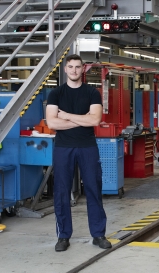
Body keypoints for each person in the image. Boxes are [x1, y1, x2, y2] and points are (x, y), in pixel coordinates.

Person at [46, 54, 111, 252]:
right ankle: (63, 236)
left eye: (78, 67)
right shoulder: (56, 94)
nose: (74, 70)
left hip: (87, 146)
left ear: (83, 69)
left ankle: (98, 234)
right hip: (63, 148)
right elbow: (51, 123)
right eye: (71, 67)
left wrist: (65, 116)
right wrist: (81, 119)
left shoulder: (92, 93)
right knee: (61, 191)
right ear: (65, 69)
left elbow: (95, 120)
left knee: (93, 188)